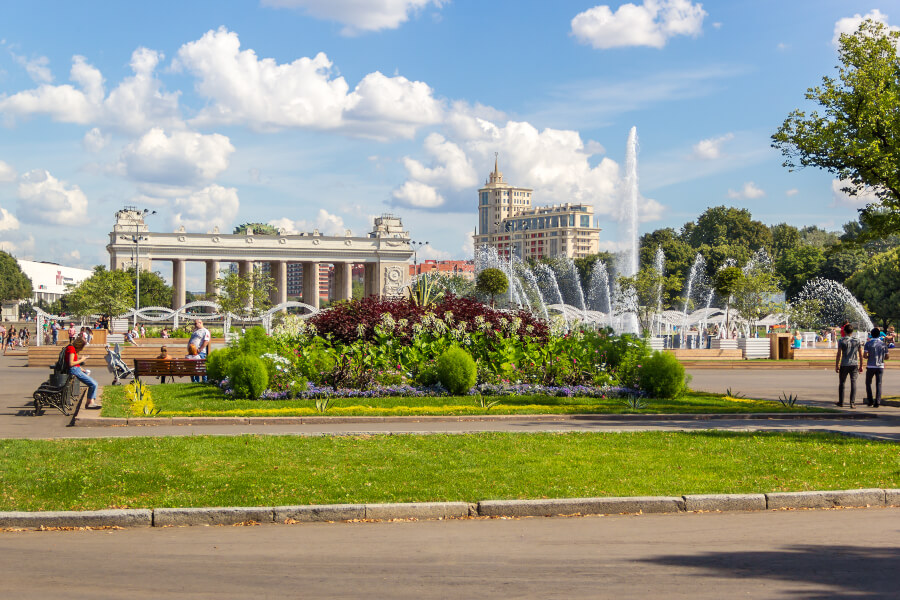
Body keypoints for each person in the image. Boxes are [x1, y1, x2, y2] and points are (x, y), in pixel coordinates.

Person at [66, 337, 101, 409]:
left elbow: (73, 362)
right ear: (79, 345)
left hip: (76, 369)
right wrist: (82, 360)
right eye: (82, 347)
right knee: (93, 384)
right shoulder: (71, 349)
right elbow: (71, 363)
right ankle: (90, 403)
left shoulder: (71, 348)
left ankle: (90, 402)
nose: (82, 349)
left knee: (94, 383)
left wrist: (80, 368)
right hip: (74, 370)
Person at [835, 324, 864, 408]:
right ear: (852, 331)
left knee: (842, 383)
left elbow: (839, 354)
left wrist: (837, 365)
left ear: (844, 331)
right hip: (854, 364)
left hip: (844, 364)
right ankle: (852, 402)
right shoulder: (857, 340)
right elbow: (860, 354)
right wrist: (861, 365)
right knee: (853, 382)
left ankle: (841, 402)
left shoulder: (841, 340)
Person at [863, 327, 889, 408]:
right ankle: (877, 401)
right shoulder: (883, 344)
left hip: (870, 365)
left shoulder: (868, 344)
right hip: (880, 366)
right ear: (879, 334)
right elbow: (887, 356)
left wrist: (869, 356)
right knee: (879, 383)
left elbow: (865, 355)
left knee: (868, 383)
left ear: (871, 334)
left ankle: (870, 400)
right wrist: (882, 358)